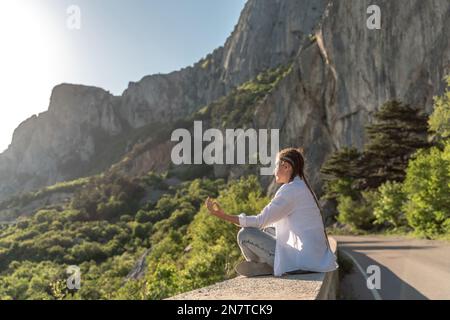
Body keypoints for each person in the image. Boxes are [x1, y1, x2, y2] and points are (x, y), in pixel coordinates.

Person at [205, 147, 339, 277]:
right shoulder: (303, 188)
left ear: (286, 167)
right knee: (269, 230)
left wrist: (222, 215)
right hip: (315, 258)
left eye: (276, 166)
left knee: (245, 234)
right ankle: (266, 265)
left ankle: (263, 265)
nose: (274, 170)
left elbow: (259, 221)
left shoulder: (290, 190)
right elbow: (269, 224)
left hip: (302, 261)